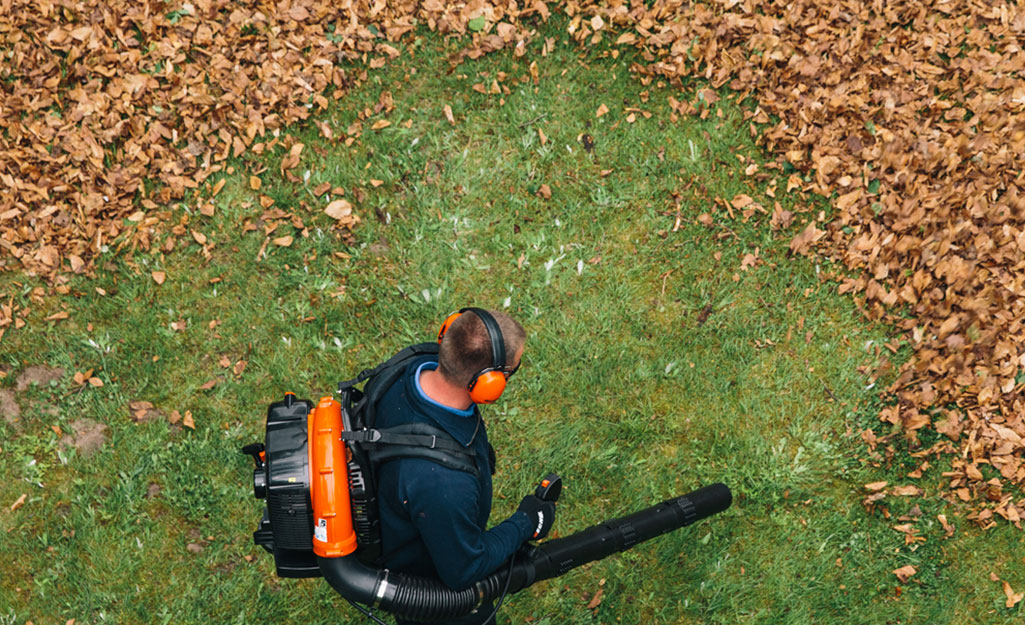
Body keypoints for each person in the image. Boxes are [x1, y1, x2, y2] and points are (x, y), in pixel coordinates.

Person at [373, 308, 556, 625]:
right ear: (489, 384)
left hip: (403, 507)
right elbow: (463, 570)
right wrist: (527, 521)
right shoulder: (444, 483)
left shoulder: (407, 369)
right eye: (513, 370)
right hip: (427, 590)